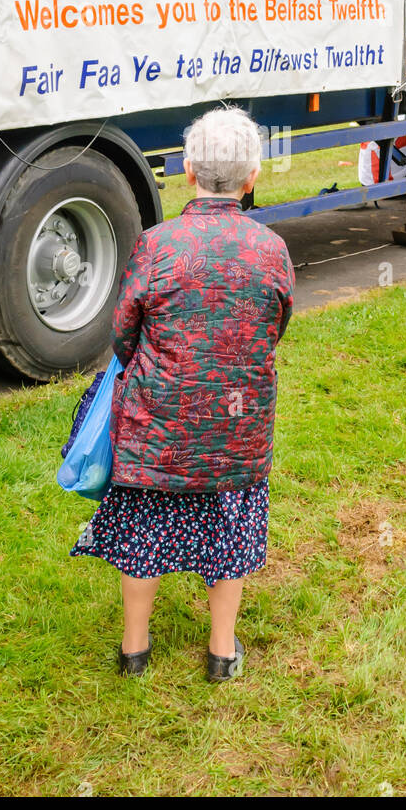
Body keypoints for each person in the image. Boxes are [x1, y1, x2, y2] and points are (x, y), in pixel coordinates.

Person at [70, 107, 295, 681]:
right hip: (236, 430)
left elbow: (124, 334)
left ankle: (134, 650)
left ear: (188, 171)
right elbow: (275, 326)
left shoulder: (155, 244)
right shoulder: (271, 248)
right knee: (229, 528)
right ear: (251, 178)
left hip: (158, 429)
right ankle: (222, 652)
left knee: (144, 529)